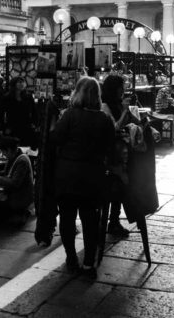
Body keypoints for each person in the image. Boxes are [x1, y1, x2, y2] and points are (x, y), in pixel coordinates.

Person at [50, 77, 115, 279]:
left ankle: (71, 258)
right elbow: (110, 149)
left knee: (67, 219)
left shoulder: (69, 115)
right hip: (92, 177)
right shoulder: (104, 119)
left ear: (77, 93)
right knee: (90, 220)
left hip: (67, 174)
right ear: (97, 95)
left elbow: (55, 139)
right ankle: (88, 264)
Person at [100, 74, 141, 236]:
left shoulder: (118, 104)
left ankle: (114, 220)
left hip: (123, 153)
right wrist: (125, 111)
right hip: (111, 155)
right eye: (120, 88)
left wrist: (132, 111)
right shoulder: (104, 106)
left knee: (121, 189)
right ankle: (108, 221)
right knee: (114, 188)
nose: (123, 91)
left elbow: (129, 124)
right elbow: (114, 127)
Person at [0, 136, 34, 225]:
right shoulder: (14, 157)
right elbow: (6, 172)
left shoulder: (22, 160)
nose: (3, 155)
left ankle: (21, 213)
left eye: (3, 152)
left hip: (22, 197)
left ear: (8, 150)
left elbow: (14, 183)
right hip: (18, 194)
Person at [2, 77, 39, 148]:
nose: (22, 84)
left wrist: (35, 124)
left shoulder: (28, 96)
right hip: (12, 126)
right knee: (14, 147)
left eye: (23, 82)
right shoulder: (7, 97)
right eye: (19, 82)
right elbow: (2, 113)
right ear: (14, 84)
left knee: (27, 147)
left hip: (26, 126)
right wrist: (5, 127)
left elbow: (34, 111)